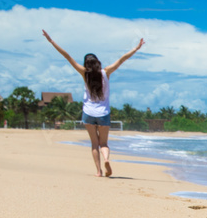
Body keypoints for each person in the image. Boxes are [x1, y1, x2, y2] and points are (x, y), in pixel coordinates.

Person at [42, 31, 145, 177]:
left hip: (89, 113)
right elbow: (122, 60)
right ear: (97, 62)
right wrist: (136, 48)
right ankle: (107, 159)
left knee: (94, 144)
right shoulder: (106, 72)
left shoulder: (84, 73)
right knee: (104, 143)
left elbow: (67, 56)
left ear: (86, 64)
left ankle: (98, 171)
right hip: (103, 113)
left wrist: (51, 41)